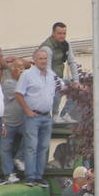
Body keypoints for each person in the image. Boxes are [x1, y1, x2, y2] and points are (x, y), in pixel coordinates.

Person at [14, 47, 59, 185]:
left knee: (44, 147)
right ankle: (30, 176)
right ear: (34, 60)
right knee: (31, 147)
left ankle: (39, 176)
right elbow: (18, 93)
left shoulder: (51, 74)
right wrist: (27, 110)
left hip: (47, 116)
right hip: (33, 116)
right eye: (40, 58)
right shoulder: (27, 75)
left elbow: (62, 87)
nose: (43, 61)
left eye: (45, 58)